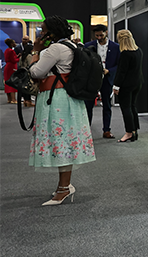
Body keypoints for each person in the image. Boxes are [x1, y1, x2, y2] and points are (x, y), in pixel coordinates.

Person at [25, 16, 96, 206]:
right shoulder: (71, 46)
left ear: (51, 32)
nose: (40, 33)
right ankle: (64, 185)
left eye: (43, 30)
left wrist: (35, 51)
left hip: (56, 99)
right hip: (68, 98)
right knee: (65, 141)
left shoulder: (55, 49)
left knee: (60, 141)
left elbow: (36, 72)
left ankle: (64, 188)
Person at [84, 24, 120, 139]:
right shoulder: (88, 46)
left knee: (107, 105)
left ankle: (106, 130)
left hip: (107, 79)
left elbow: (119, 65)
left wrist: (109, 71)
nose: (99, 37)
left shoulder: (115, 47)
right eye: (97, 36)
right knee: (88, 105)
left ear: (106, 32)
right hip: (92, 80)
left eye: (101, 35)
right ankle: (86, 130)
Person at [113, 29, 143, 143]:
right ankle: (134, 131)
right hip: (137, 83)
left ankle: (129, 133)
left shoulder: (125, 54)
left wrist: (116, 86)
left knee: (126, 108)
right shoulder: (138, 51)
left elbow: (122, 72)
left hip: (126, 85)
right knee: (132, 106)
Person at [4, 38, 18, 104]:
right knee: (12, 82)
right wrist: (19, 58)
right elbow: (14, 60)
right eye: (14, 42)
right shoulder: (11, 51)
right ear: (11, 44)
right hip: (12, 67)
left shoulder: (6, 50)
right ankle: (13, 99)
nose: (15, 44)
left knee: (7, 82)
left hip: (7, 67)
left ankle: (9, 99)